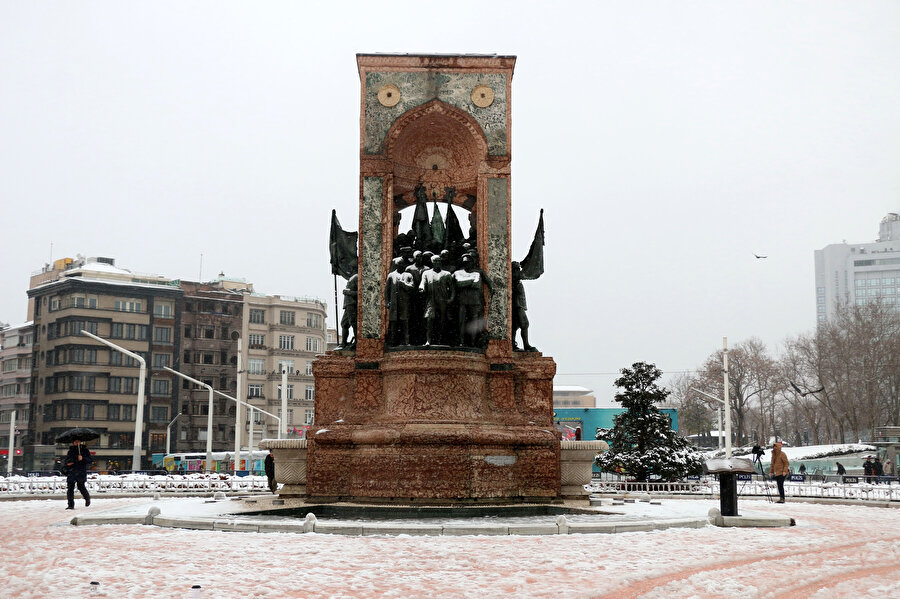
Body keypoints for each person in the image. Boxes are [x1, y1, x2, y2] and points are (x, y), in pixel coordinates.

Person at [65, 439, 93, 510]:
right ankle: (70, 504)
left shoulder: (84, 450)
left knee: (81, 486)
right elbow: (67, 460)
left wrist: (82, 458)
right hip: (72, 471)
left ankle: (87, 498)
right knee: (70, 488)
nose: (77, 443)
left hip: (81, 471)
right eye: (75, 441)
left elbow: (89, 460)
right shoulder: (70, 451)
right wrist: (70, 462)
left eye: (78, 441)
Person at [339, 274, 358, 348]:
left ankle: (357, 342)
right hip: (348, 305)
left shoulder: (356, 277)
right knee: (344, 323)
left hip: (352, 304)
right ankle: (343, 343)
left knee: (353, 323)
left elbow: (360, 292)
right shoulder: (352, 277)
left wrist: (348, 293)